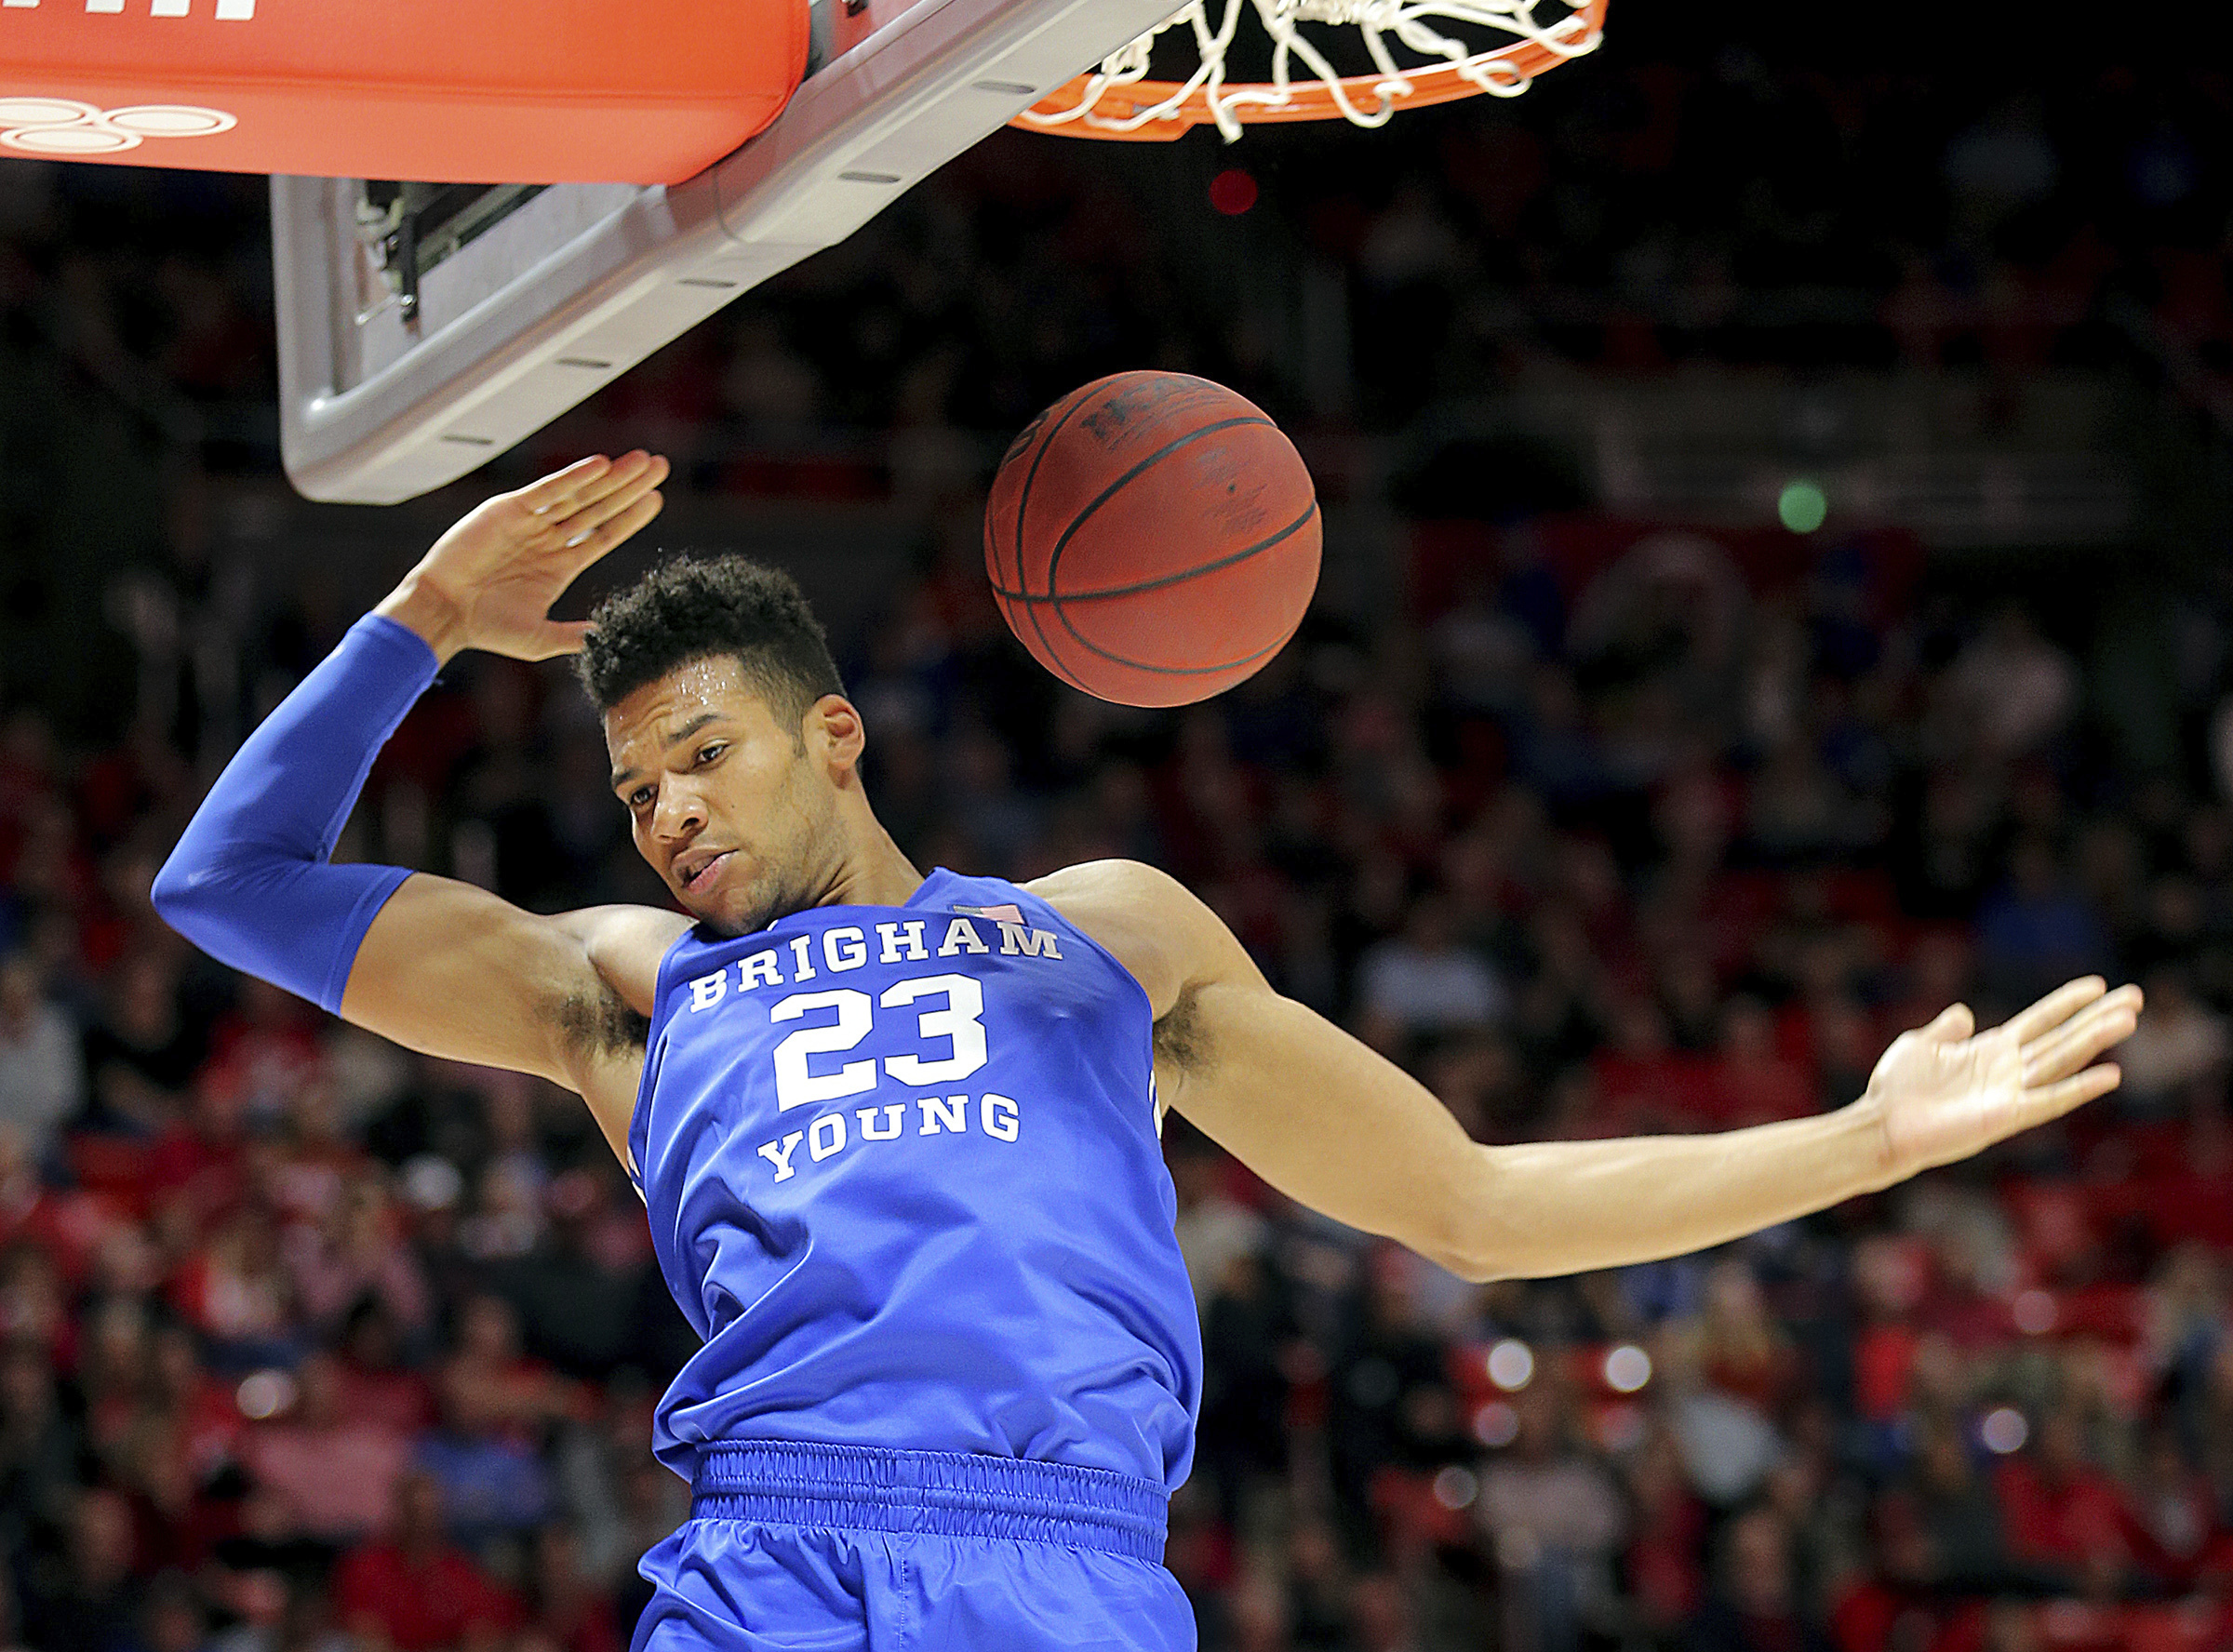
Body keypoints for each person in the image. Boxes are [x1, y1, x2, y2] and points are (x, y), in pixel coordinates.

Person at [152, 451, 2141, 1652]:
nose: (666, 813)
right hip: (763, 1545)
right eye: (631, 783)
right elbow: (227, 883)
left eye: (705, 754)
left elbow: (1466, 1203)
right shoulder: (631, 988)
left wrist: (1864, 1142)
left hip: (1055, 1561)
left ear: (833, 732)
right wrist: (418, 613)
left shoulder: (1099, 934)